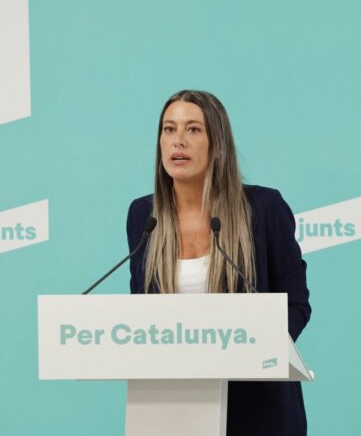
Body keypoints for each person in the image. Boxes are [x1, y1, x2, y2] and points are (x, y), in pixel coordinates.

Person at [126, 89, 311, 436]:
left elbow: (296, 305)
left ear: (217, 144)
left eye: (193, 129)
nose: (178, 140)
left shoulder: (264, 209)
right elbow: (143, 314)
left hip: (257, 406)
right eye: (169, 129)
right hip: (171, 406)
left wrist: (252, 351)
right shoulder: (143, 216)